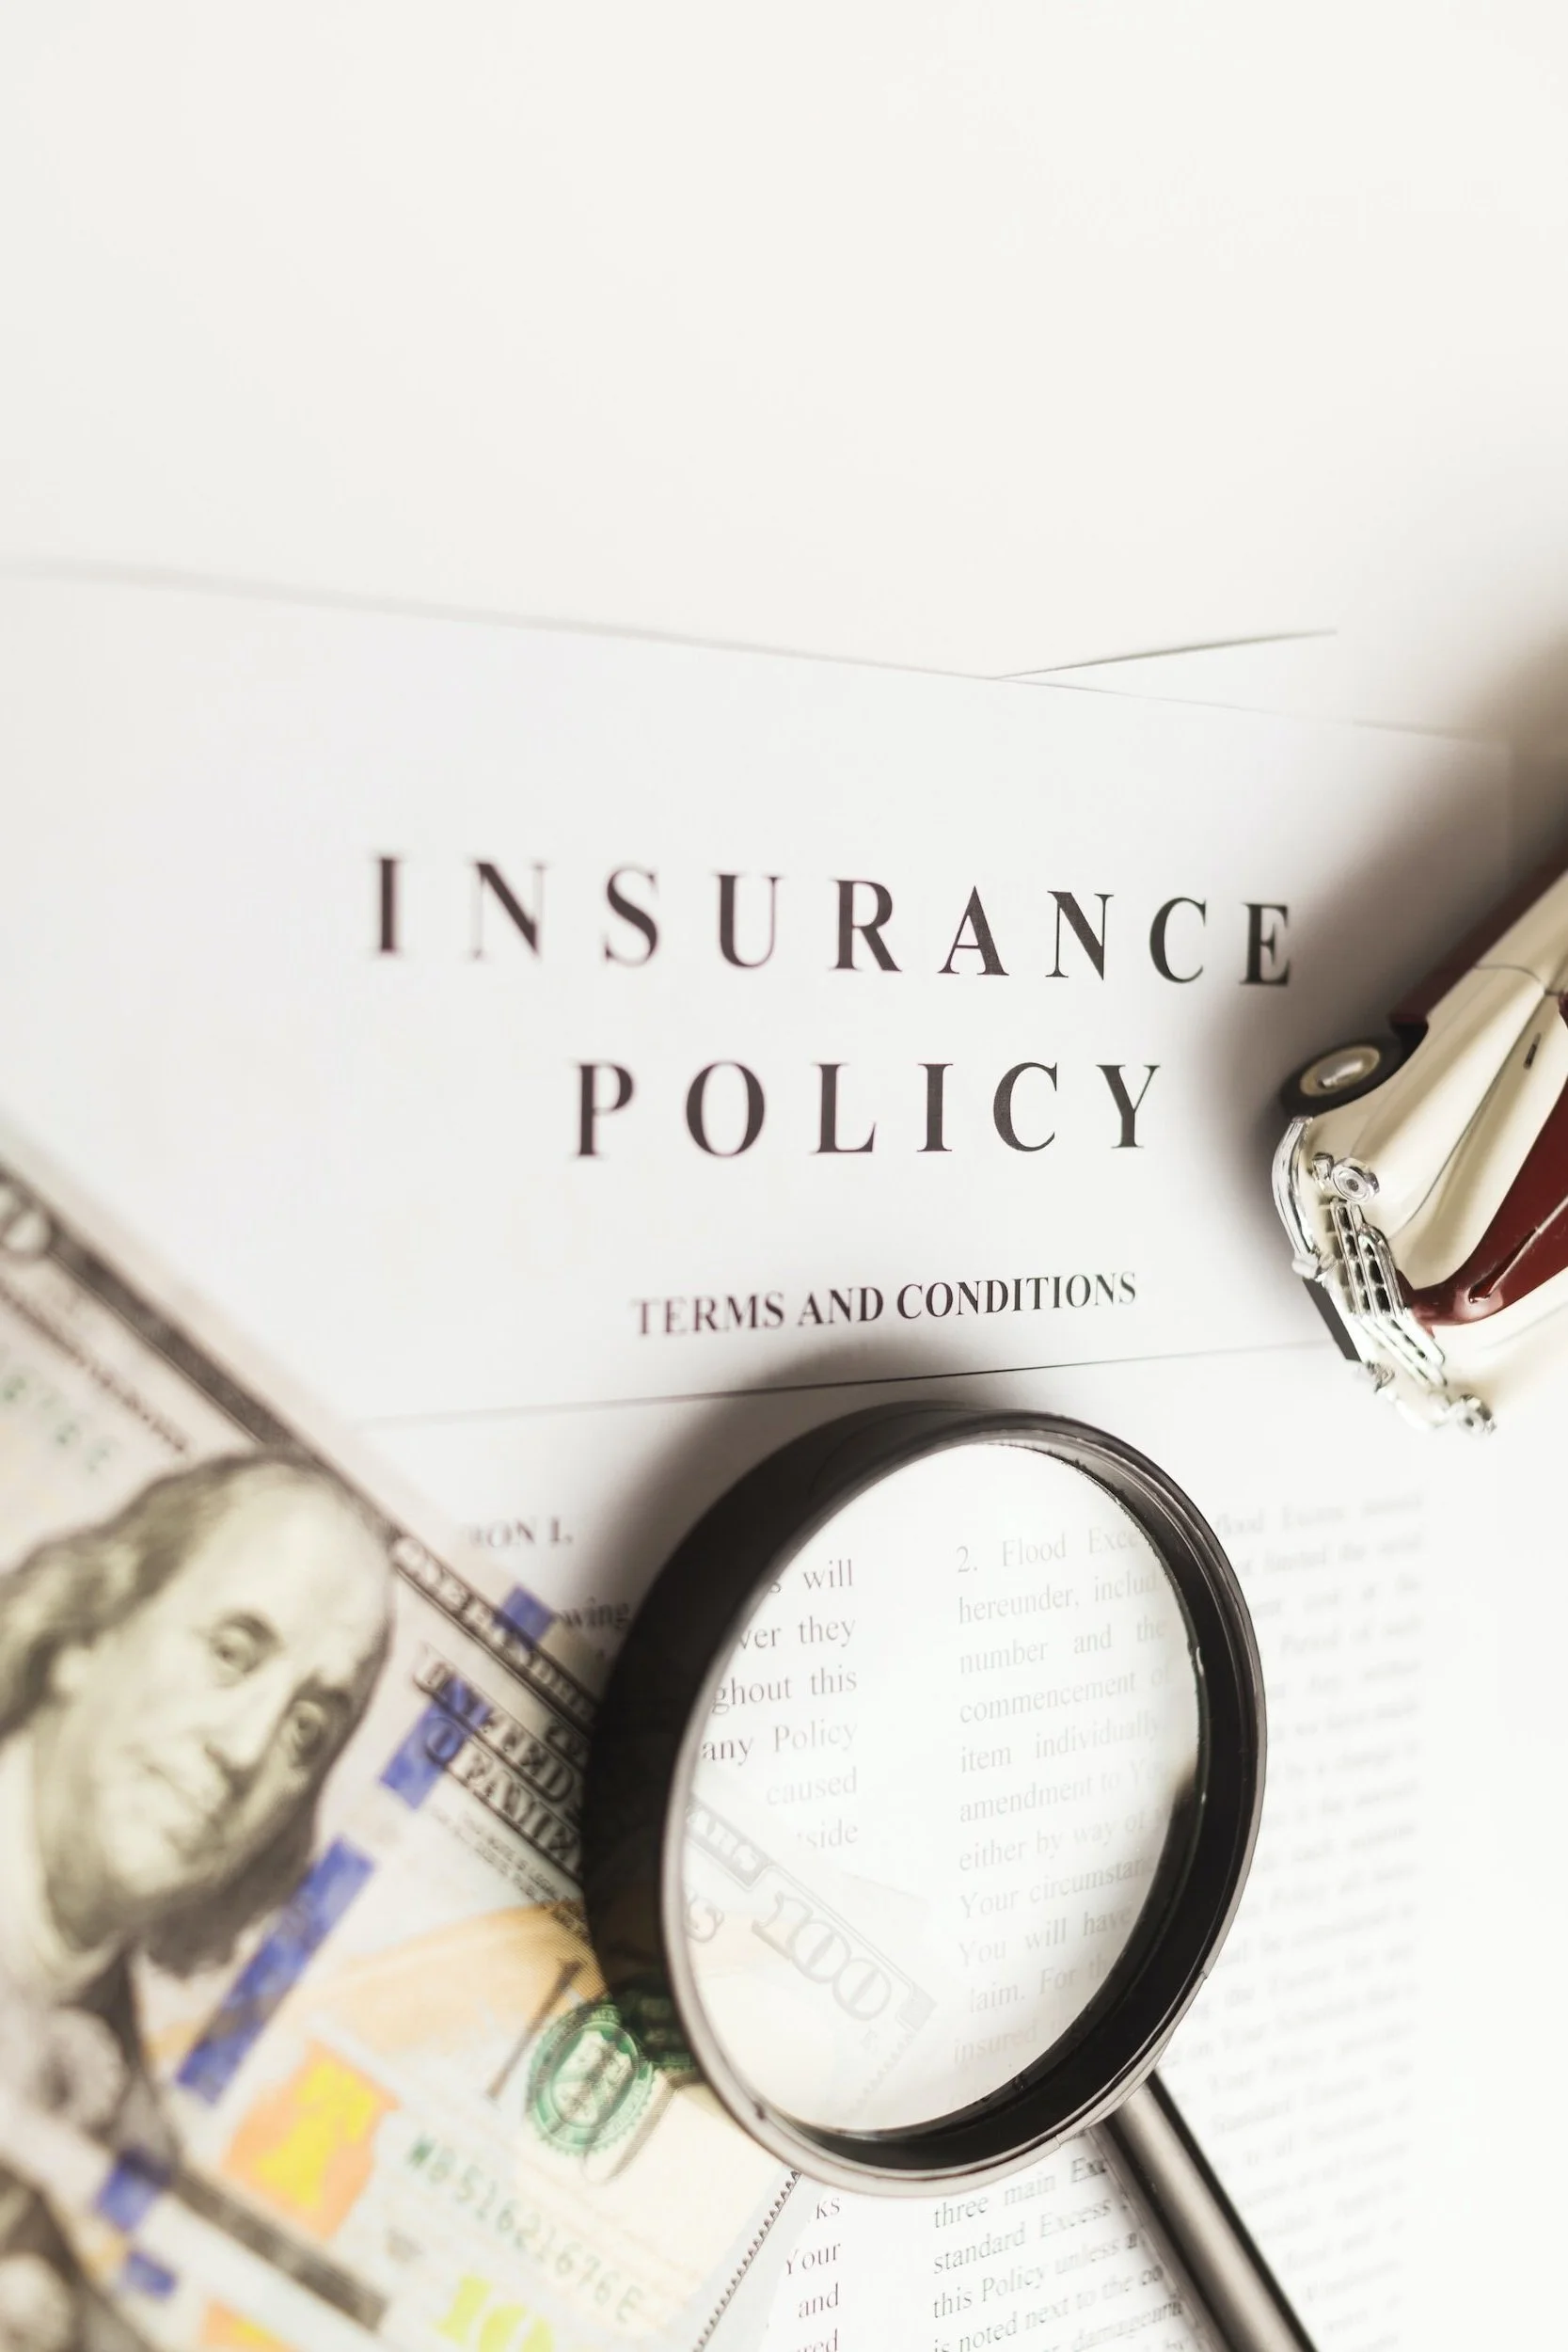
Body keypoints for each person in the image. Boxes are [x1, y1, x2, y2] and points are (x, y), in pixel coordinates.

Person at [0, 1453, 395, 2348]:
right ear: (91, 1630)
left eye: (307, 1732)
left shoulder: (128, 2170)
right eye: (231, 1653)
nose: (249, 1748)